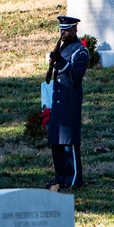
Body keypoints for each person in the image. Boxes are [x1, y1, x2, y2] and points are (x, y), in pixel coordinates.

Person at [47, 15, 89, 190]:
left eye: (67, 29)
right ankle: (61, 176)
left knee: (69, 141)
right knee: (57, 141)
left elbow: (76, 76)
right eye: (61, 30)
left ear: (75, 30)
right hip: (58, 98)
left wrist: (60, 62)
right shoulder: (63, 49)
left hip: (70, 99)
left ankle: (73, 178)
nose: (63, 33)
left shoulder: (80, 51)